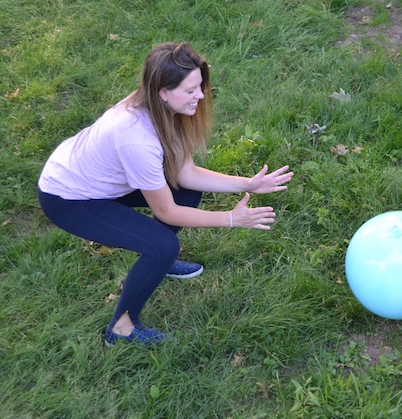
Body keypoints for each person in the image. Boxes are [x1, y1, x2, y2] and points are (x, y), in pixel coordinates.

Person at [38, 42, 293, 347]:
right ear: (163, 91)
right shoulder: (136, 137)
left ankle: (155, 262)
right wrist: (230, 219)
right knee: (162, 244)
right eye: (190, 90)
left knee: (182, 199)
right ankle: (121, 328)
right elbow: (167, 213)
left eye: (200, 86)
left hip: (96, 177)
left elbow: (186, 176)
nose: (200, 96)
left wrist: (247, 184)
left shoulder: (165, 109)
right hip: (68, 197)